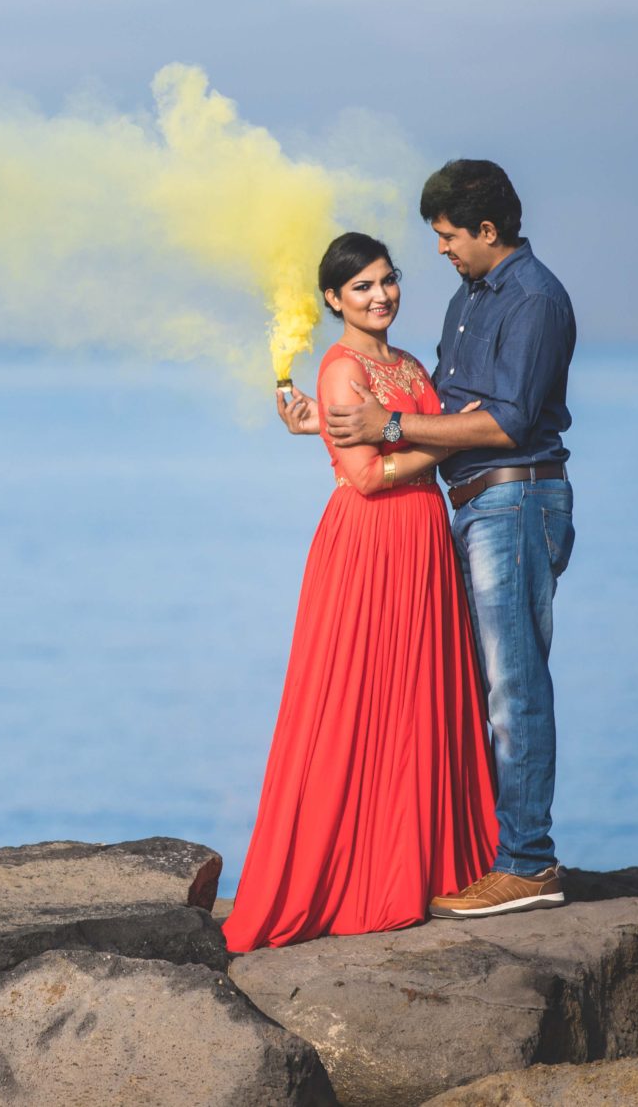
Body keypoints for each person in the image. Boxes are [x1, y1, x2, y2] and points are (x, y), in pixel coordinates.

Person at [281, 159, 576, 920]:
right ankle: (496, 854)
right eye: (365, 283)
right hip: (466, 510)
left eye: (447, 236)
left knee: (512, 686)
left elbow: (502, 420)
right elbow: (418, 418)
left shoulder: (534, 302)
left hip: (514, 500)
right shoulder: (470, 300)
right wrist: (329, 419)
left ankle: (527, 862)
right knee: (472, 688)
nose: (440, 250)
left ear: (486, 230)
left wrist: (389, 429)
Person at [222, 232, 499, 952]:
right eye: (363, 288)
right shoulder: (341, 367)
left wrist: (386, 430)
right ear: (333, 300)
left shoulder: (404, 363)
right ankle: (360, 875)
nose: (381, 296)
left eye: (387, 280)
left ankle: (424, 864)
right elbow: (369, 475)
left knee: (418, 699)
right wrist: (453, 438)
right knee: (357, 701)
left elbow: (375, 443)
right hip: (370, 546)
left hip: (421, 541)